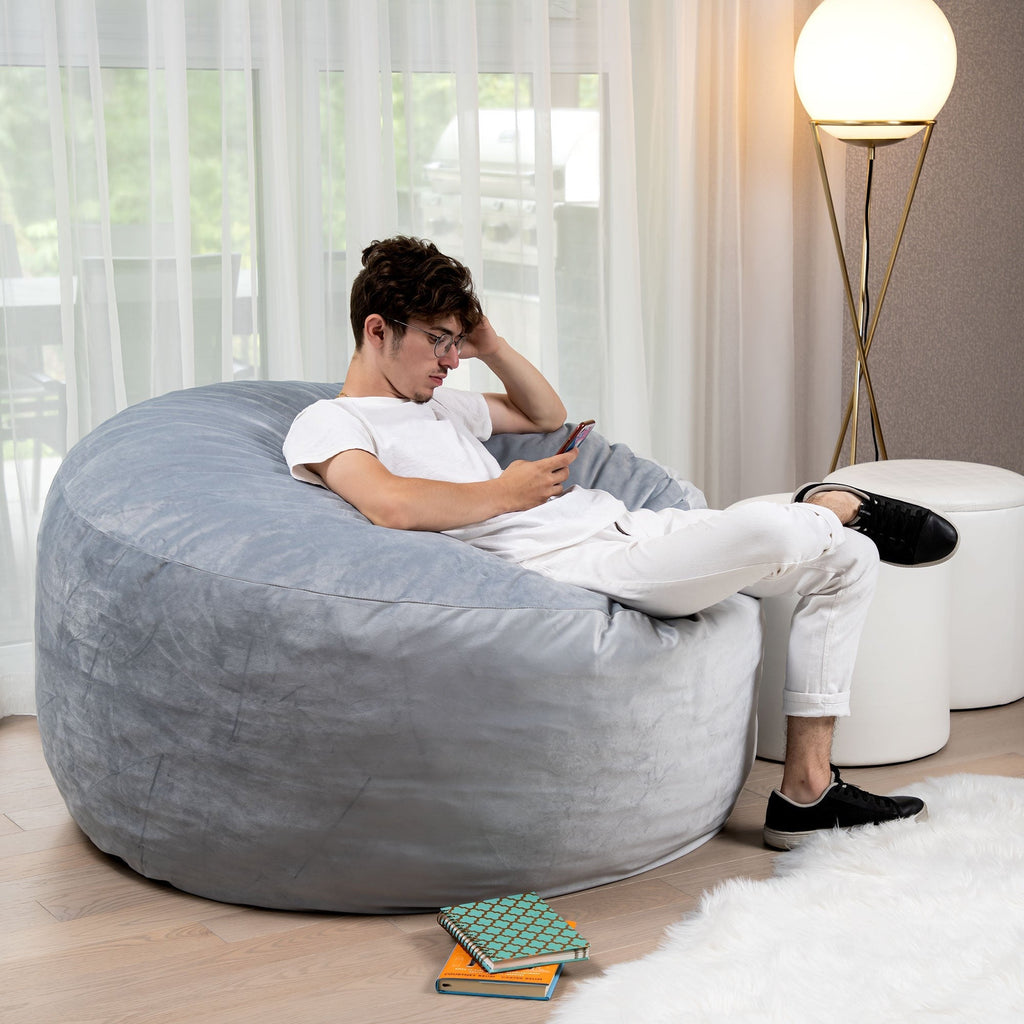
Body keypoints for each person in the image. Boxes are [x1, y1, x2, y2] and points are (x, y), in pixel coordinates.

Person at [283, 235, 958, 850]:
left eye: (458, 343)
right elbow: (388, 503)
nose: (452, 362)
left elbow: (545, 415)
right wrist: (505, 494)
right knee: (777, 529)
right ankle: (822, 504)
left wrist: (490, 342)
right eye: (439, 341)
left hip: (620, 523)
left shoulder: (432, 403)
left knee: (854, 557)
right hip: (589, 565)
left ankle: (806, 795)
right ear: (377, 330)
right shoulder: (330, 421)